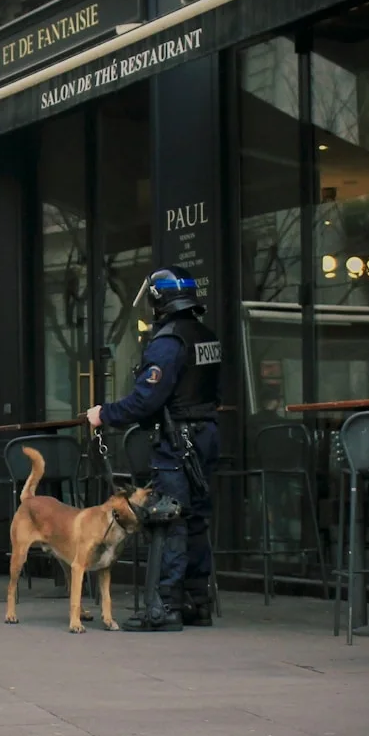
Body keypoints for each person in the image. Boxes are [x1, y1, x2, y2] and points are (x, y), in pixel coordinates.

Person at [86, 267, 221, 632]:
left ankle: (164, 607)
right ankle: (198, 602)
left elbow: (146, 400)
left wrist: (104, 414)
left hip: (179, 441)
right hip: (205, 435)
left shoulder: (168, 342)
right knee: (194, 521)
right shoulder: (205, 335)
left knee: (169, 520)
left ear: (158, 299)